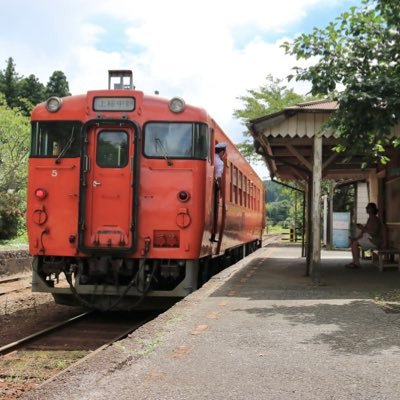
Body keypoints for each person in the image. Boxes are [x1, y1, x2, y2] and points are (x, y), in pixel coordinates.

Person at [346, 202, 382, 269]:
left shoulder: (375, 220)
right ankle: (354, 261)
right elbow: (363, 232)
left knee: (354, 244)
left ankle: (357, 263)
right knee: (353, 242)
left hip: (373, 240)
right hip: (368, 238)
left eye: (368, 208)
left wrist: (363, 228)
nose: (366, 209)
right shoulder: (370, 219)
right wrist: (356, 238)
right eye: (367, 207)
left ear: (372, 209)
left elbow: (373, 233)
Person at [211, 142, 227, 242]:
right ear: (222, 152)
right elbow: (218, 177)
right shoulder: (219, 162)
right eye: (224, 153)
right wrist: (221, 190)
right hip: (213, 187)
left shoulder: (211, 157)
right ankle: (213, 235)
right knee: (216, 210)